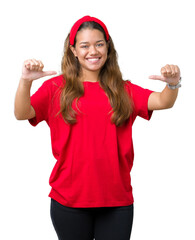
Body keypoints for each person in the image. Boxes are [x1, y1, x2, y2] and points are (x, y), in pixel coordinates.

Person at [14, 15, 181, 240]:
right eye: (85, 45)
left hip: (116, 201)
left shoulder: (123, 90)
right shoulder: (55, 88)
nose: (93, 51)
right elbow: (22, 113)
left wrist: (173, 84)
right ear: (73, 50)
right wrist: (26, 81)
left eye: (99, 44)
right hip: (69, 200)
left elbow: (163, 102)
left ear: (107, 47)